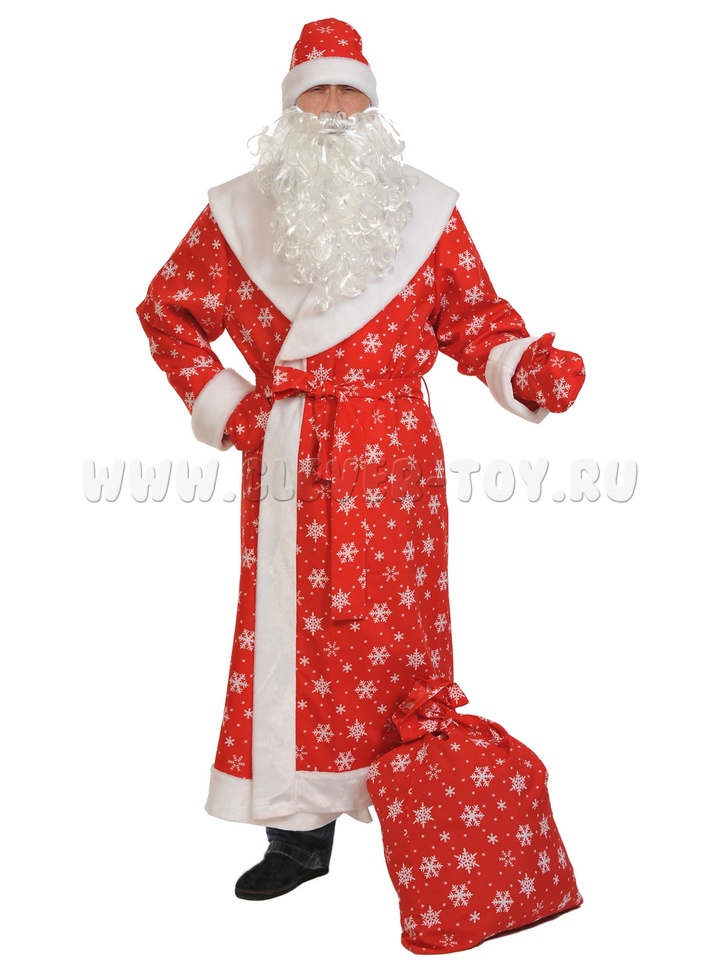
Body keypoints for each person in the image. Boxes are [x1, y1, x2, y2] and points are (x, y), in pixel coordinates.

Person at [136, 18, 585, 902]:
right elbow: (168, 313)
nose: (336, 108)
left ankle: (423, 811)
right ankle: (297, 839)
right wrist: (236, 410)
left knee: (397, 636)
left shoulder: (424, 208)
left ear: (373, 106)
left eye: (350, 91)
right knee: (295, 636)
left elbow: (472, 318)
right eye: (319, 91)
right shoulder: (237, 213)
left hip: (395, 457)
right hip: (292, 451)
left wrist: (520, 364)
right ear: (290, 107)